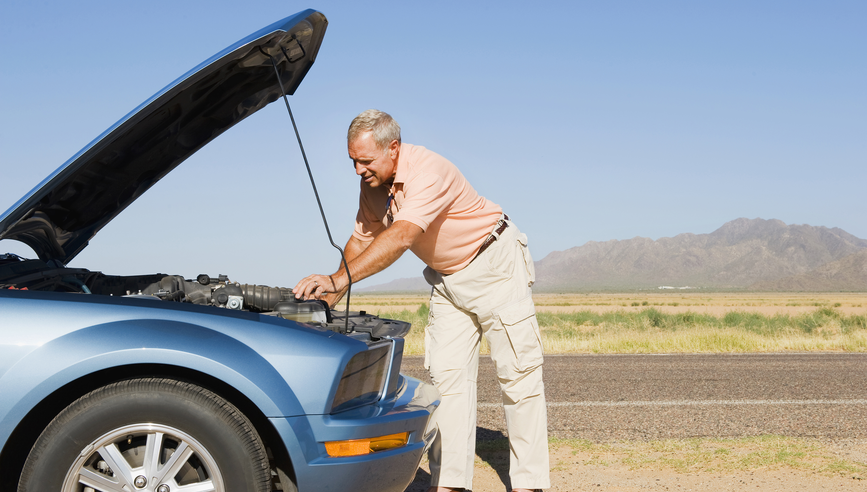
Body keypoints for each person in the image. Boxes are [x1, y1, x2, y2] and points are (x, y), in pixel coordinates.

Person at [293, 109, 549, 492]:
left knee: (518, 376)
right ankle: (449, 483)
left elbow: (401, 237)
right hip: (447, 280)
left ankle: (529, 484)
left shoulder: (428, 171)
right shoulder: (373, 183)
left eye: (365, 161)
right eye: (353, 161)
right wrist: (334, 290)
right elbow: (363, 239)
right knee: (447, 382)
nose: (358, 170)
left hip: (494, 263)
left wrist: (338, 277)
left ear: (393, 148)